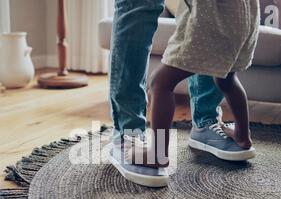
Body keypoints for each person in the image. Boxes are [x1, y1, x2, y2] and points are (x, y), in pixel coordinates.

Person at [109, 0, 256, 187]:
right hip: (243, 23)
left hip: (207, 23)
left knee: (160, 83)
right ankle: (243, 136)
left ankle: (157, 153)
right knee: (227, 79)